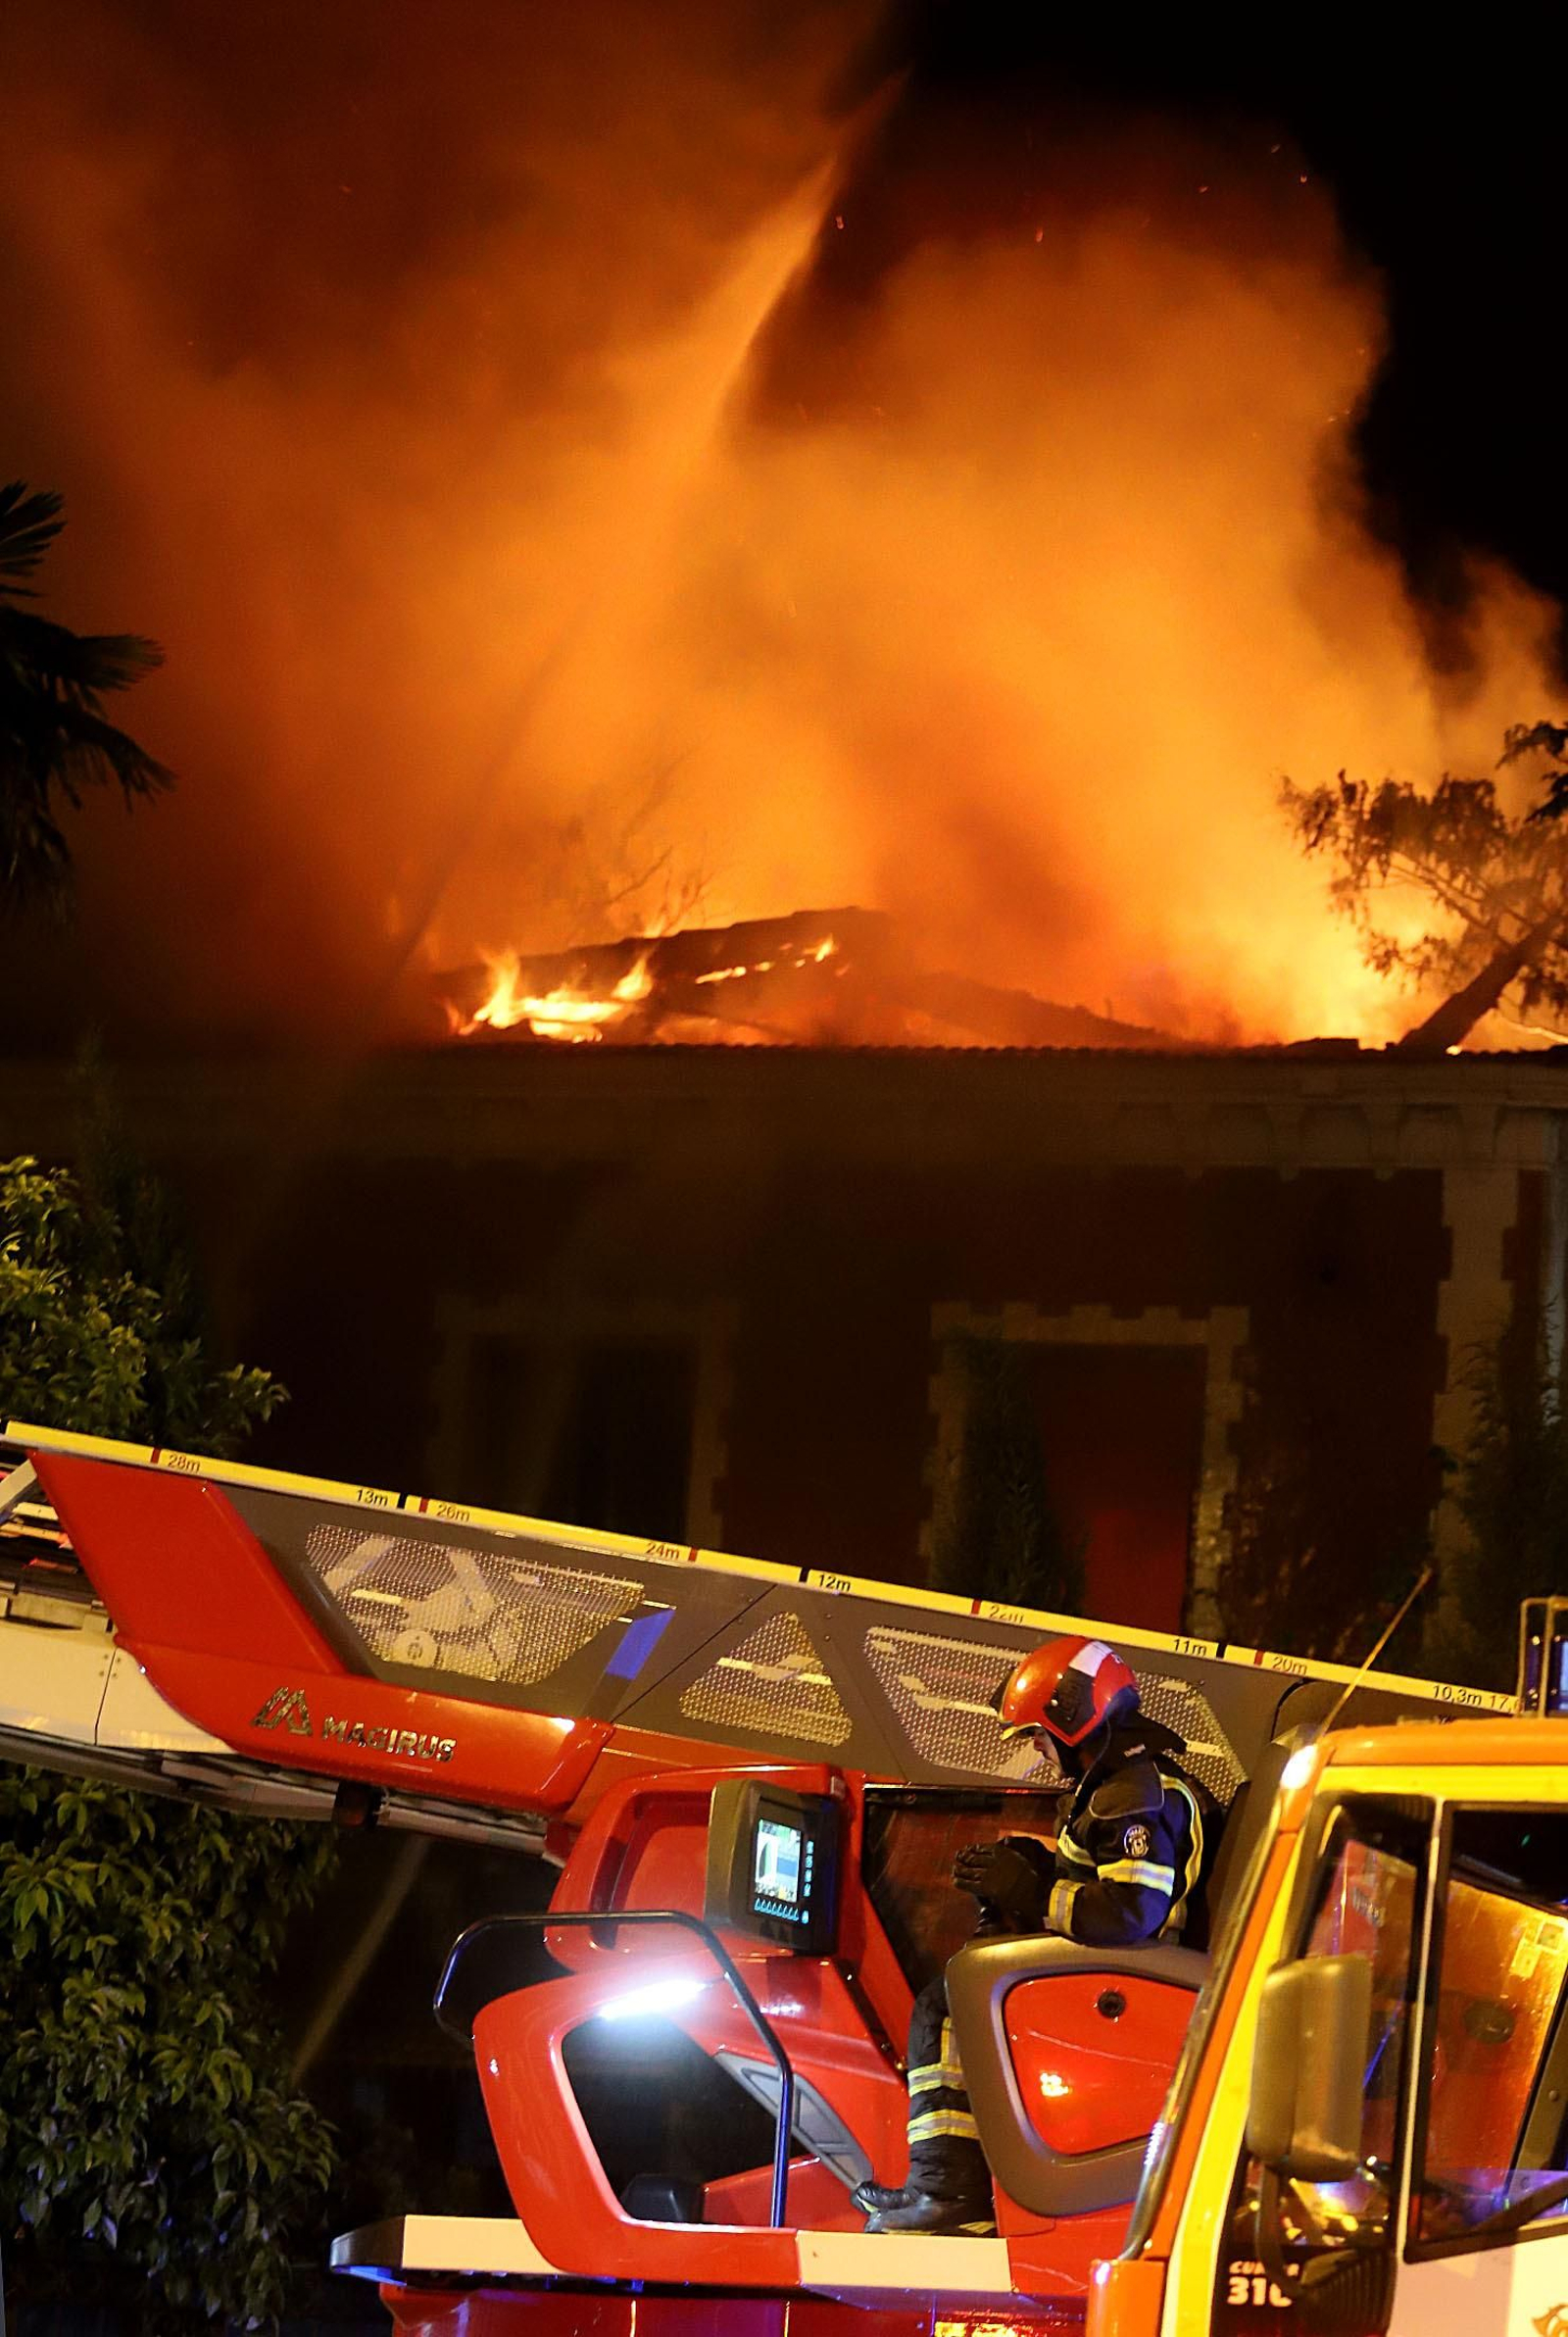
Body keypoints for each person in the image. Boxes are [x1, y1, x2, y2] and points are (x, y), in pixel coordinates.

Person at [856, 1632, 1219, 2235]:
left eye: (1037, 1735)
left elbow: (1132, 1914)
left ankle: (949, 2192)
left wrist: (1030, 1893)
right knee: (963, 1990)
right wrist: (1032, 1868)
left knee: (945, 2004)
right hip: (1127, 1973)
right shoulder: (1119, 1784)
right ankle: (952, 2187)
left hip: (1135, 1982)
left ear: (1071, 1722)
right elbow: (1107, 1882)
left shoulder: (1132, 1796)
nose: (1036, 1749)